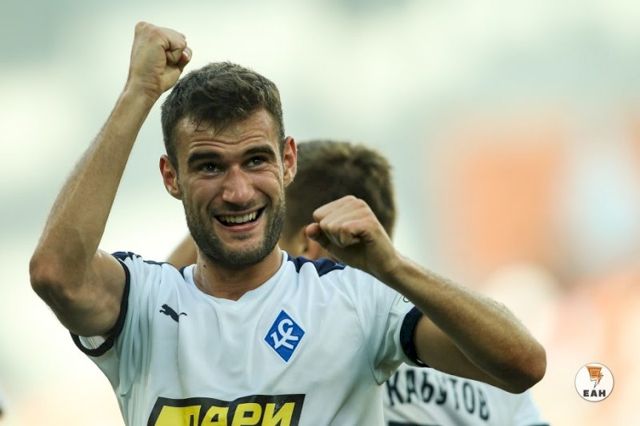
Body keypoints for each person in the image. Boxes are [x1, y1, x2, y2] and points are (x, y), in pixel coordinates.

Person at [29, 22, 545, 425]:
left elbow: (523, 366)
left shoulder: (355, 299)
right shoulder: (143, 302)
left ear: (288, 161)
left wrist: (393, 267)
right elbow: (55, 274)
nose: (237, 190)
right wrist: (137, 93)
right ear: (171, 177)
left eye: (256, 160)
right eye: (209, 166)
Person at [170, 139, 549, 426]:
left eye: (270, 242)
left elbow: (162, 314)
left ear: (310, 245)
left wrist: (220, 206)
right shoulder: (477, 344)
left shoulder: (307, 354)